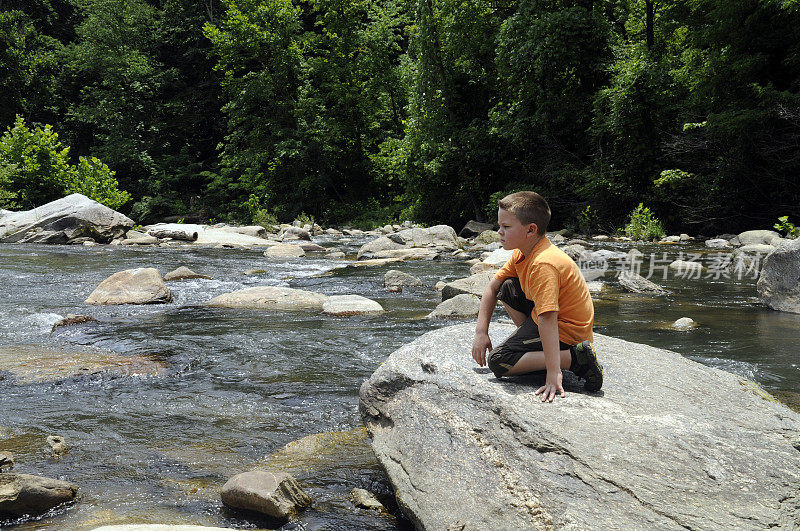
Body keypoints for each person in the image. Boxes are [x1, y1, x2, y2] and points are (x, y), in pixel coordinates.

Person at [471, 191, 603, 402]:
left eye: (506, 227)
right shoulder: (522, 251)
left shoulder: (544, 263)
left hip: (567, 330)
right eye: (499, 226)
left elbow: (548, 318)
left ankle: (574, 359)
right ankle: (538, 350)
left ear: (531, 229)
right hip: (550, 321)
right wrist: (481, 332)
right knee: (507, 287)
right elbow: (492, 288)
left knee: (499, 361)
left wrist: (554, 372)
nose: (499, 232)